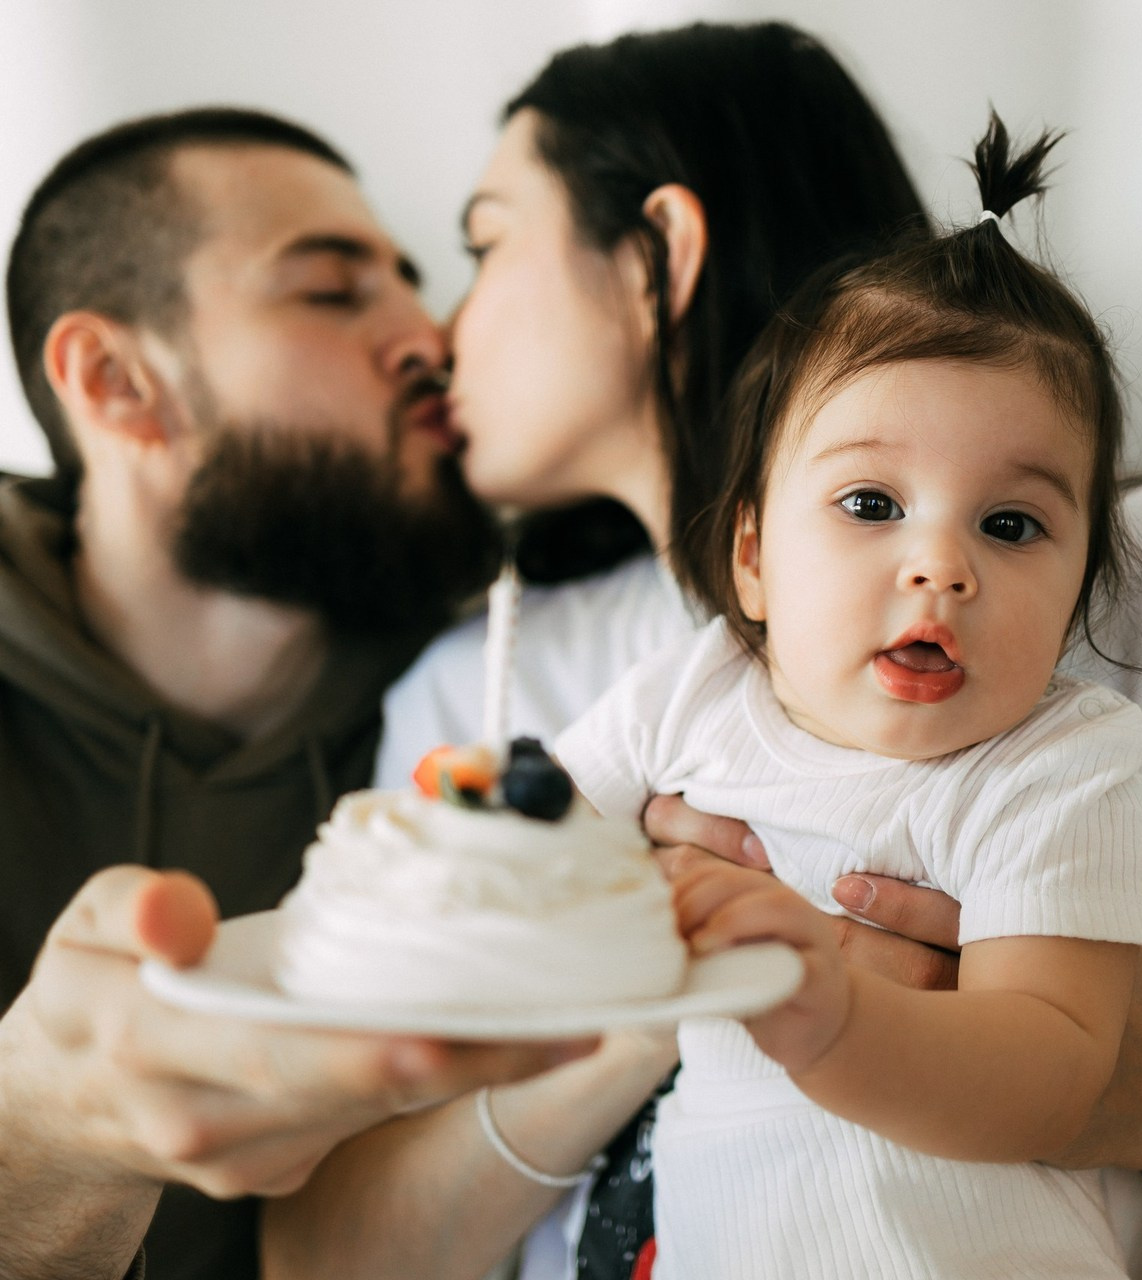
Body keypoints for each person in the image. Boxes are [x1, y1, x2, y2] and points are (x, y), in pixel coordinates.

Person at [264, 21, 1142, 1280]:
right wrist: (642, 974)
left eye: (482, 247)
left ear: (659, 256)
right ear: (750, 549)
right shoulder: (495, 682)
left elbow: (1062, 1055)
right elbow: (318, 1252)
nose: (440, 333)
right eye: (867, 504)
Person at [552, 116, 1142, 1277]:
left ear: (1072, 598)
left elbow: (1048, 1074)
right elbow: (534, 835)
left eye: (1010, 525)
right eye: (869, 504)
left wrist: (840, 1022)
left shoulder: (1055, 767)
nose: (939, 565)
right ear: (751, 556)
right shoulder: (695, 691)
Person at [0, 107, 586, 1280]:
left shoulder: (499, 710)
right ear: (115, 382)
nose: (429, 337)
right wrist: (44, 1141)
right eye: (331, 291)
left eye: (413, 285)